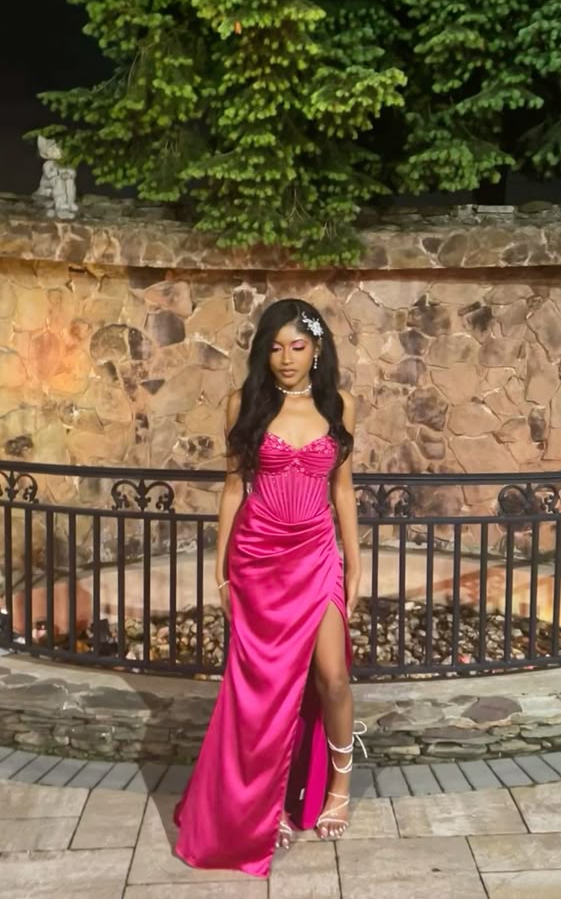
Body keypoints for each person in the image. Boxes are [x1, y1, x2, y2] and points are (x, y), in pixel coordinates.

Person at [173, 298, 364, 878]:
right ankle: (263, 805)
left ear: (317, 348)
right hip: (257, 558)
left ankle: (339, 786)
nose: (286, 358)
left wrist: (354, 565)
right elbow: (233, 488)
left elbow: (343, 490)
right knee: (263, 689)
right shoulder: (245, 403)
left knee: (333, 676)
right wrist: (221, 570)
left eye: (297, 346)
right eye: (276, 347)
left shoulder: (339, 405)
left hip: (317, 555)